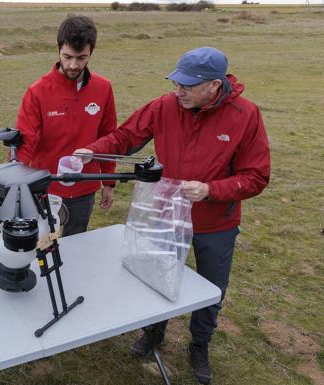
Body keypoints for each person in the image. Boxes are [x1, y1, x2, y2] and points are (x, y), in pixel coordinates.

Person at [76, 47, 270, 384]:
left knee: (212, 288)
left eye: (187, 85)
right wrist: (94, 150)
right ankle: (154, 332)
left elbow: (256, 176)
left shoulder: (245, 114)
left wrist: (212, 190)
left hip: (216, 223)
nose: (178, 90)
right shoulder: (166, 106)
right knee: (157, 276)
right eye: (176, 82)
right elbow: (127, 136)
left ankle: (200, 345)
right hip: (167, 215)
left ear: (213, 85)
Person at [14, 14, 117, 236]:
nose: (73, 65)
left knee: (76, 244)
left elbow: (108, 136)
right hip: (46, 187)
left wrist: (108, 181)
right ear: (58, 48)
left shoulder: (103, 88)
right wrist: (15, 184)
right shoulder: (37, 92)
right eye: (67, 56)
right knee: (43, 243)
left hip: (85, 186)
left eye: (81, 58)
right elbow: (25, 142)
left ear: (91, 52)